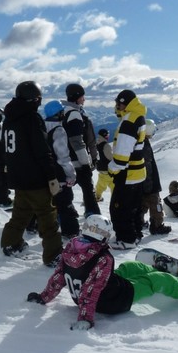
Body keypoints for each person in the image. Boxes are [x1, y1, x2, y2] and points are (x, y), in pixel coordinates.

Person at [25, 214, 178, 330]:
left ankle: (152, 273)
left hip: (95, 294)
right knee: (156, 281)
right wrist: (85, 318)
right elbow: (92, 289)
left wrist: (44, 297)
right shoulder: (102, 258)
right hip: (114, 301)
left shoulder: (71, 250)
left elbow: (58, 278)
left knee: (130, 267)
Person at [0, 81, 62, 266]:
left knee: (21, 212)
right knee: (47, 217)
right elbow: (42, 150)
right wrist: (51, 176)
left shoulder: (9, 118)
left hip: (17, 176)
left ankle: (10, 243)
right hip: (35, 178)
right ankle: (54, 255)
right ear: (34, 98)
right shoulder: (32, 118)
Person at [108, 89, 147, 249]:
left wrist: (113, 168)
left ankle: (126, 239)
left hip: (128, 173)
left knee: (119, 208)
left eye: (118, 103)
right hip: (138, 172)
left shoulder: (128, 122)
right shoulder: (138, 116)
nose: (116, 106)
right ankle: (136, 234)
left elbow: (122, 153)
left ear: (124, 103)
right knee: (134, 207)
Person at [44, 99, 80, 239]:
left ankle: (36, 225)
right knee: (65, 201)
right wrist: (71, 174)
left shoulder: (42, 127)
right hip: (59, 173)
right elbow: (63, 156)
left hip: (47, 172)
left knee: (49, 202)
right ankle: (70, 230)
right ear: (58, 113)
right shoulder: (58, 130)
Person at [63, 83, 100, 217]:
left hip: (66, 160)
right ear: (77, 97)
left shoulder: (65, 112)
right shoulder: (75, 115)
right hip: (77, 161)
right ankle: (93, 216)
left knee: (65, 191)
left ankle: (63, 215)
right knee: (88, 191)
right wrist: (86, 162)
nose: (84, 99)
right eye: (83, 96)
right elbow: (77, 141)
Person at [140, 119, 171, 235]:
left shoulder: (140, 142)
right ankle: (157, 226)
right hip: (149, 182)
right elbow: (147, 165)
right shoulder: (145, 145)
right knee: (156, 205)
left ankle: (138, 223)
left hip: (141, 181)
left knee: (142, 204)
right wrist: (149, 184)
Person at [95, 128, 113, 202]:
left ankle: (97, 196)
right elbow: (110, 157)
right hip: (108, 169)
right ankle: (115, 199)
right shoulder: (106, 145)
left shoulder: (97, 144)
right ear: (104, 135)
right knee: (113, 185)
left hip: (101, 168)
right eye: (107, 135)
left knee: (100, 185)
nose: (108, 136)